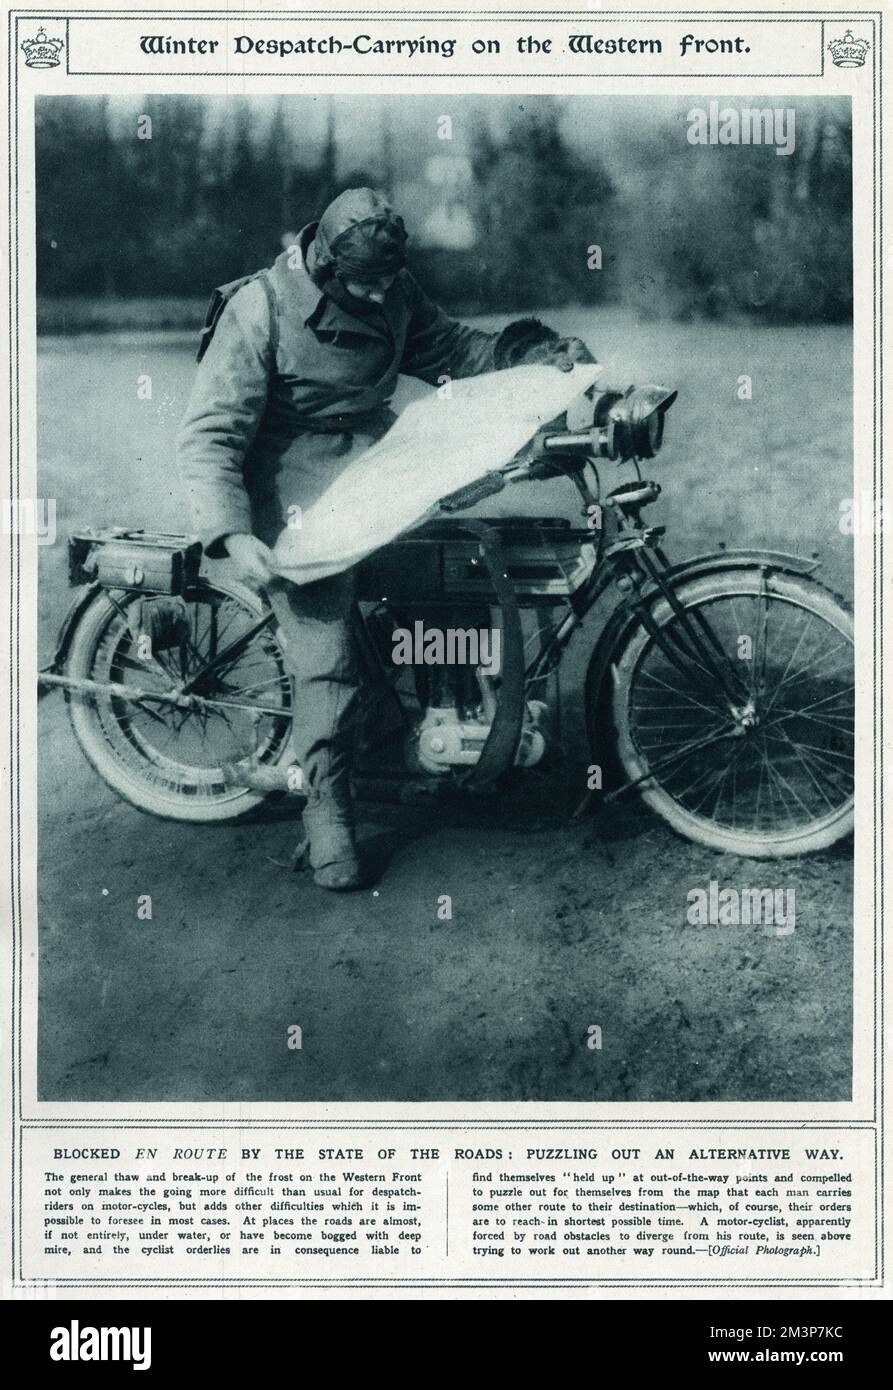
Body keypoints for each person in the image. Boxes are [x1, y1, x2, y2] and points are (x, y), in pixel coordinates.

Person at [178, 187, 593, 890]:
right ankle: (325, 806)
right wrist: (230, 532)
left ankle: (443, 722)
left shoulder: (392, 287)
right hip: (290, 488)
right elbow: (211, 433)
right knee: (327, 653)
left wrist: (533, 355)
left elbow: (450, 348)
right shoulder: (260, 308)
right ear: (323, 262)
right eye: (363, 284)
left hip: (375, 464)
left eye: (385, 282)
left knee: (452, 570)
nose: (377, 297)